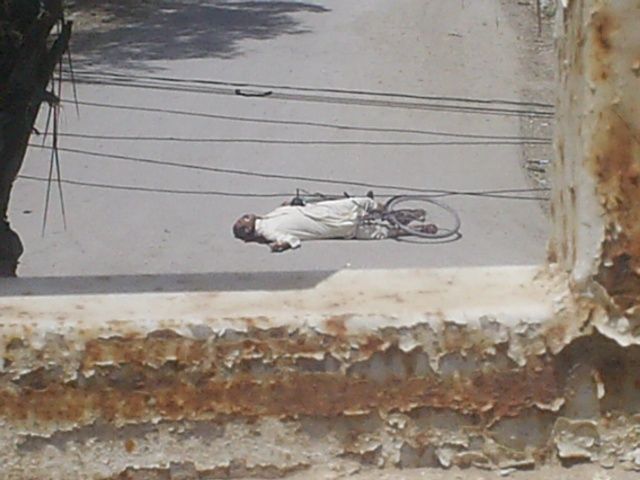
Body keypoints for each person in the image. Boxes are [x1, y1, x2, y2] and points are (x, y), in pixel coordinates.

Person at [232, 196, 436, 253]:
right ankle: (408, 221)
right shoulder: (267, 230)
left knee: (377, 228)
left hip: (328, 215)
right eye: (244, 221)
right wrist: (281, 245)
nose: (244, 218)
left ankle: (407, 221)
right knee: (367, 207)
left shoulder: (268, 218)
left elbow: (287, 212)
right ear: (249, 231)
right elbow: (290, 239)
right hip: (331, 219)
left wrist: (289, 204)